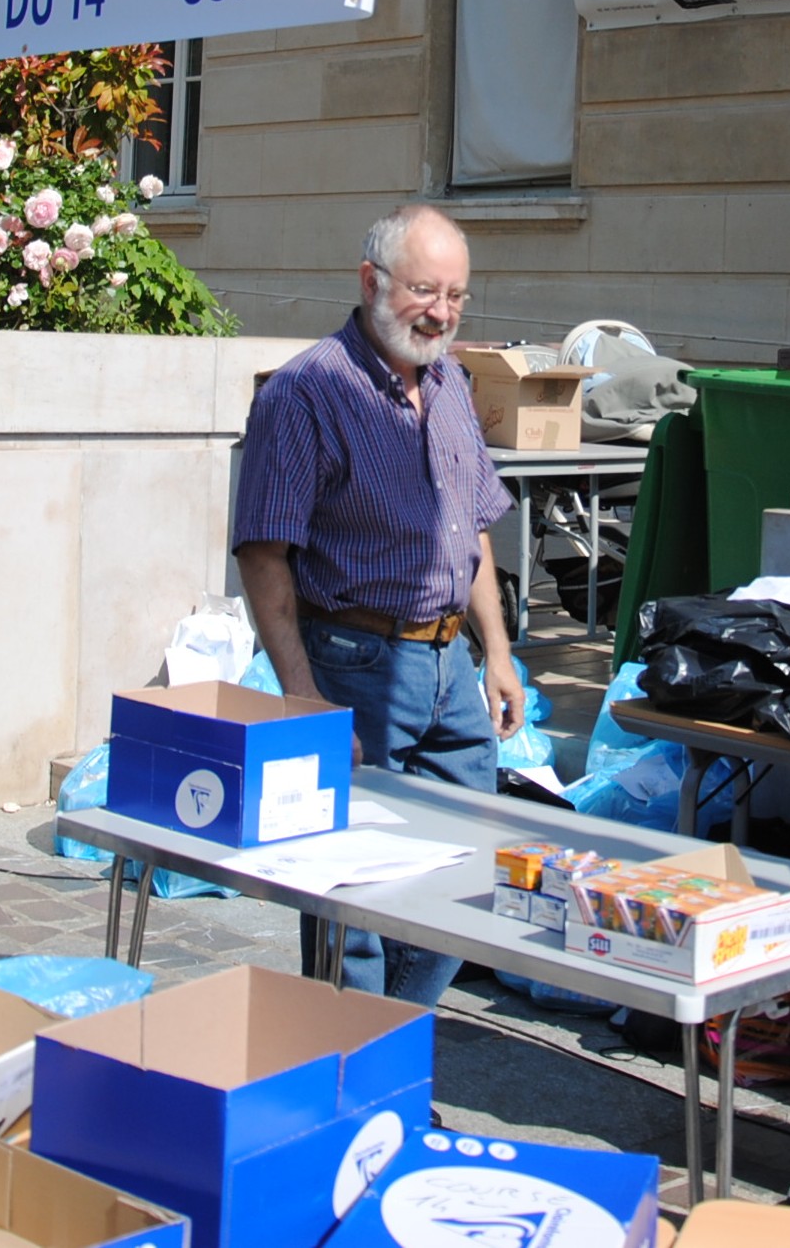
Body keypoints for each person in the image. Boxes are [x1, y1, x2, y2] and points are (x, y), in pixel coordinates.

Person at [232, 203, 528, 1005]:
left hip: (449, 663)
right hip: (353, 661)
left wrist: (498, 652)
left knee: (469, 869)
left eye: (457, 295)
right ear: (371, 281)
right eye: (425, 290)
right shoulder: (306, 392)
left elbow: (470, 524)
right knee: (353, 894)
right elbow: (263, 553)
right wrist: (302, 695)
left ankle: (385, 1037)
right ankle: (350, 1055)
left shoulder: (451, 381)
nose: (442, 311)